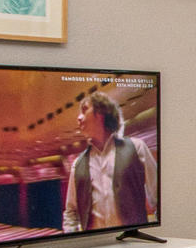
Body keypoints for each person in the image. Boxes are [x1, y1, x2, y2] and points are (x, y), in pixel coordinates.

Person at [61, 92, 156, 232]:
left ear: (101, 112)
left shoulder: (136, 148)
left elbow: (159, 197)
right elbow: (71, 212)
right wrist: (72, 239)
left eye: (84, 110)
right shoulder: (77, 164)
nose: (79, 118)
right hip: (95, 244)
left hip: (132, 241)